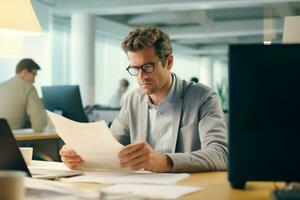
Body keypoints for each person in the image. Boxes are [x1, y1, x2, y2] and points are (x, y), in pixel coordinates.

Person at [60, 27, 228, 172]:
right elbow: (110, 149)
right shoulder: (133, 100)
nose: (141, 76)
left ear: (168, 62)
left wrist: (165, 162)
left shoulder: (203, 97)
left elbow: (221, 154)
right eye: (135, 68)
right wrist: (81, 154)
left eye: (147, 67)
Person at [0, 58, 47, 132]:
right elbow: (39, 125)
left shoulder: (2, 85)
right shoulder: (28, 87)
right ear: (24, 72)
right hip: (9, 140)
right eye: (34, 75)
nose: (34, 80)